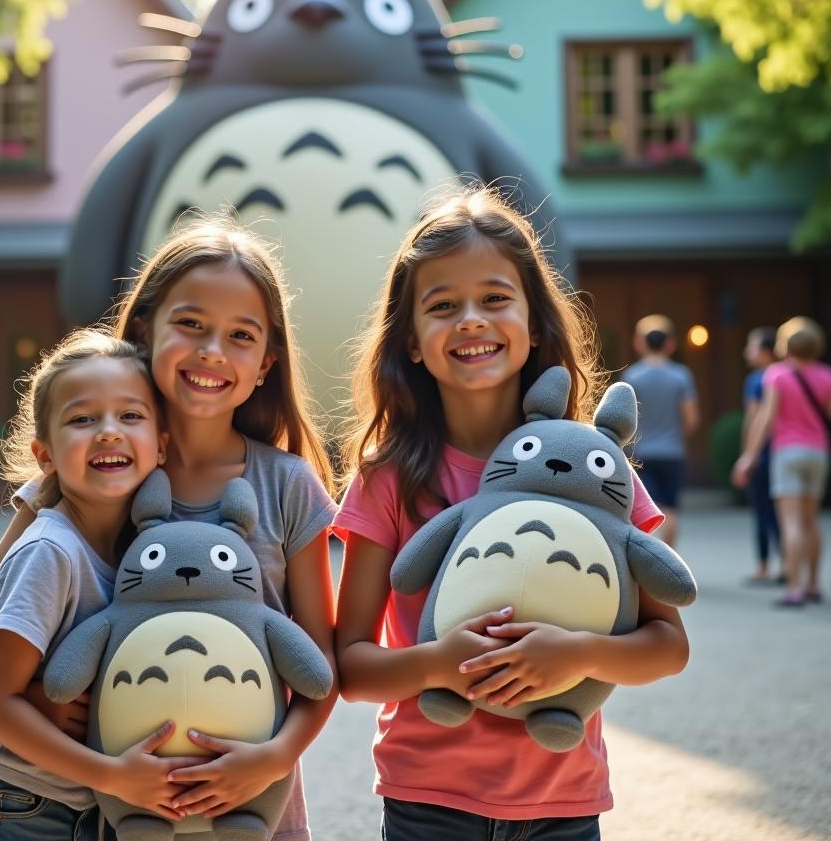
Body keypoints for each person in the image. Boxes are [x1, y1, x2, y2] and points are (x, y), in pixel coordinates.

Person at [0, 216, 338, 841]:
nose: (212, 351)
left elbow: (319, 663)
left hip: (249, 806)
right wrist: (32, 703)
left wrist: (274, 757)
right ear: (147, 328)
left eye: (241, 335)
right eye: (191, 324)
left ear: (267, 362)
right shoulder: (94, 473)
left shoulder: (286, 486)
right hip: (113, 809)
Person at [334, 187, 689, 841]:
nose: (471, 319)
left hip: (563, 797)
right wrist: (439, 666)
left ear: (534, 326)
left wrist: (577, 653)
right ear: (411, 341)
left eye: (495, 299)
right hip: (425, 800)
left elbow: (667, 647)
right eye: (443, 307)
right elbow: (351, 666)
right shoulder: (388, 477)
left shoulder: (594, 472)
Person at [0, 328, 187, 840]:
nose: (108, 432)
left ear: (161, 446)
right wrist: (114, 777)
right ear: (45, 455)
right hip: (14, 800)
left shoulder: (145, 547)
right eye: (82, 419)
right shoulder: (51, 554)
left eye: (131, 416)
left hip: (75, 799)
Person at [734, 316, 831, 608]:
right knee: (811, 520)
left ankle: (795, 588)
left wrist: (749, 456)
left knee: (791, 522)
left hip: (787, 453)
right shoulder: (826, 376)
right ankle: (814, 584)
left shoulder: (777, 374)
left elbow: (766, 417)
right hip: (817, 453)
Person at [621, 315, 699, 549]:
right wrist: (678, 437)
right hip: (672, 451)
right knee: (671, 508)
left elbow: (626, 416)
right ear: (669, 344)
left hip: (642, 451)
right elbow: (692, 418)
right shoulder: (681, 375)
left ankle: (647, 560)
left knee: (644, 509)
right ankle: (670, 558)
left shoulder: (632, 376)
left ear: (641, 343)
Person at [740, 326, 782, 584]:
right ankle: (789, 565)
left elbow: (753, 417)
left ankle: (764, 567)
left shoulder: (757, 379)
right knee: (784, 513)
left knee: (762, 511)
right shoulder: (786, 375)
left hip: (761, 453)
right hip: (783, 450)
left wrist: (747, 452)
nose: (748, 352)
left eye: (752, 346)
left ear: (767, 351)